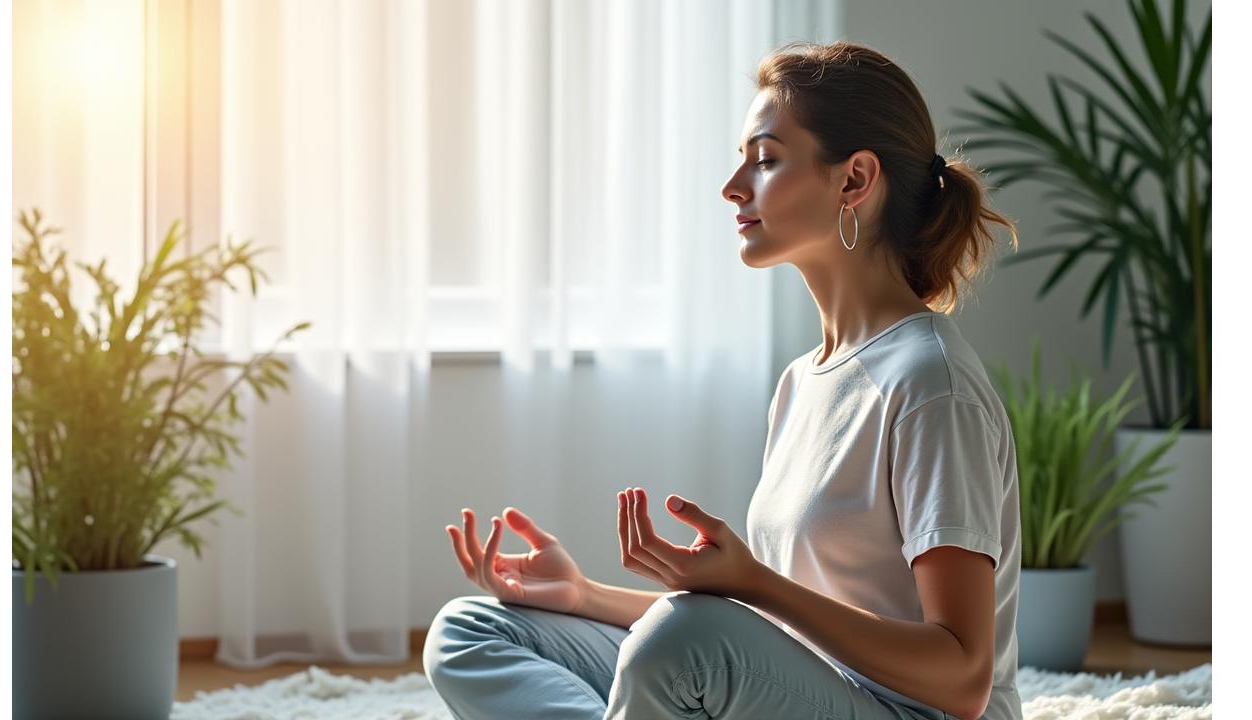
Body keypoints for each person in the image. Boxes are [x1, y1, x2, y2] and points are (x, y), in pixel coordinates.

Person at [423, 39, 1023, 720]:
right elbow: (782, 643)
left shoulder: (930, 384)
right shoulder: (805, 381)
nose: (734, 186)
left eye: (765, 160)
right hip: (808, 696)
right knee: (472, 630)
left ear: (854, 180)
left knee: (684, 638)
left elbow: (963, 679)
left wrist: (755, 584)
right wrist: (583, 595)